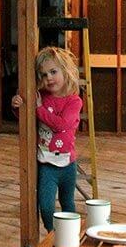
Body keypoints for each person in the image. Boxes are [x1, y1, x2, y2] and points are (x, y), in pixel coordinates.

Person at [12, 46, 82, 232]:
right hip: (46, 164)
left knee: (68, 204)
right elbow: (27, 119)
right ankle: (53, 235)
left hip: (67, 164)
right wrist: (18, 106)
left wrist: (38, 109)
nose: (48, 78)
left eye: (53, 72)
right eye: (43, 75)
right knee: (46, 206)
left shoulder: (74, 101)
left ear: (65, 71)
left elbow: (61, 125)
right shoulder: (40, 97)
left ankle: (70, 236)